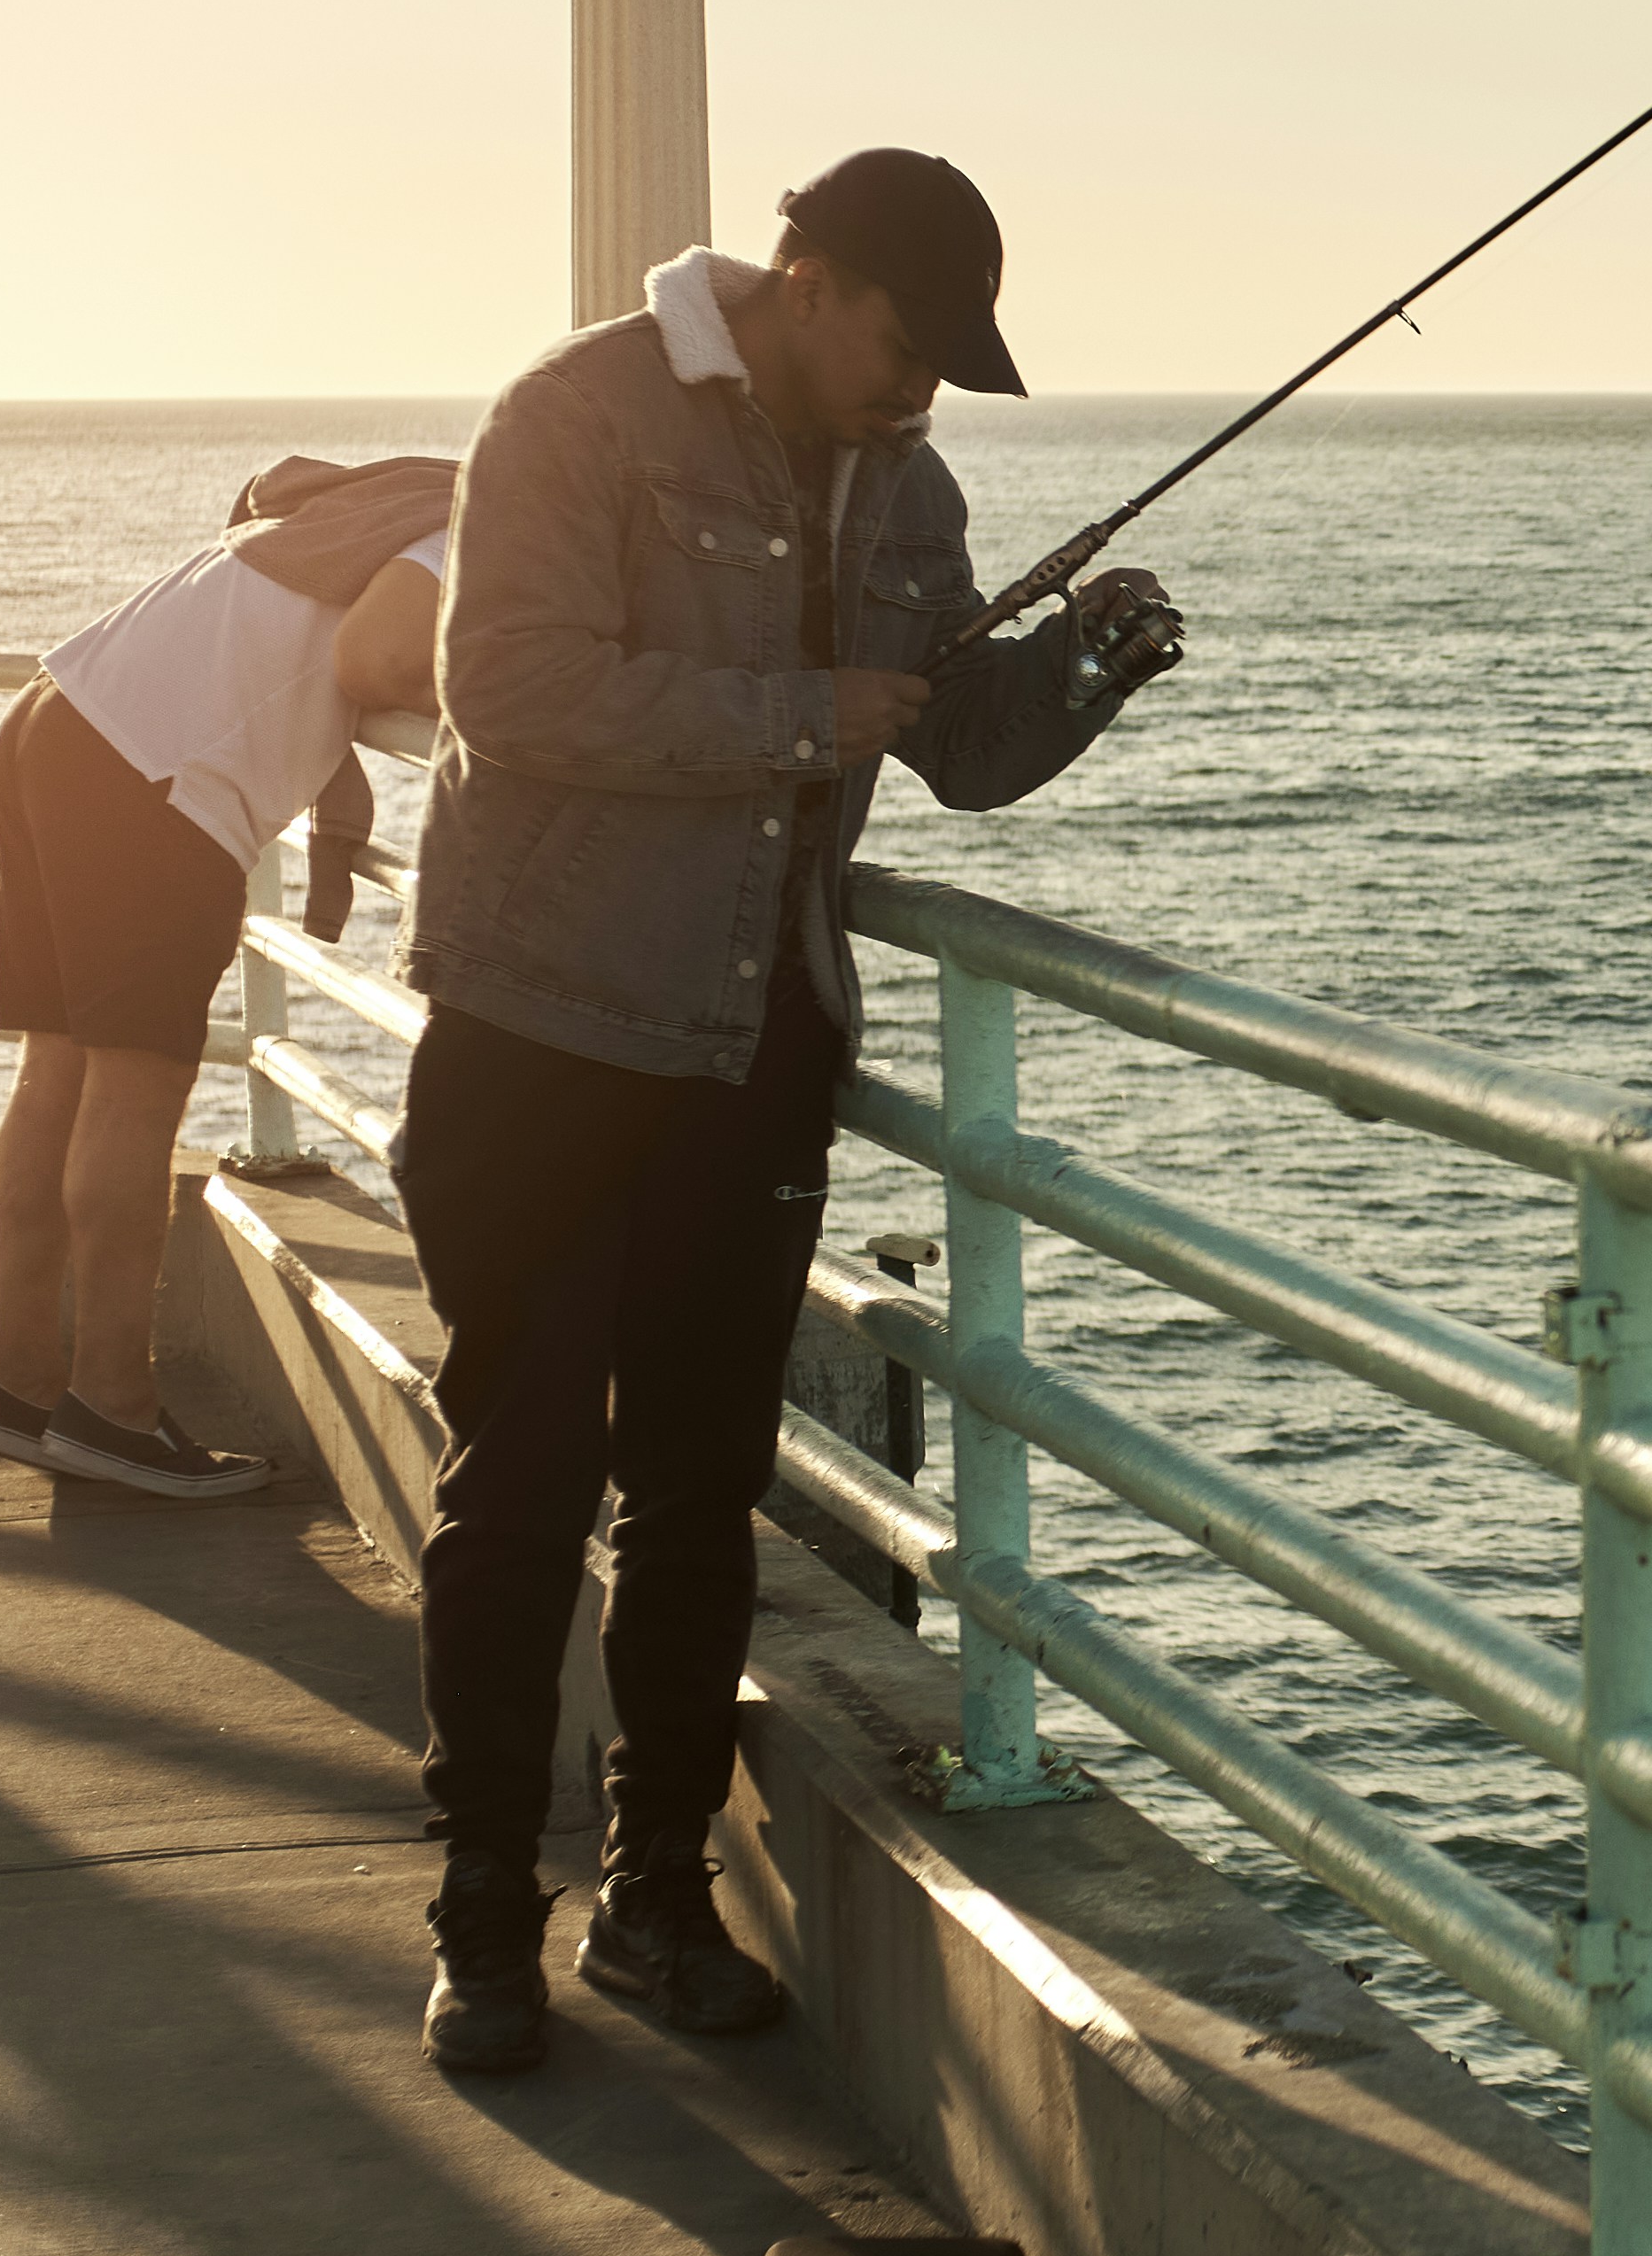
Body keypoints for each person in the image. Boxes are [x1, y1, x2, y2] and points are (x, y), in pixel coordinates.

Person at [395, 149, 1178, 2075]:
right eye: (909, 345)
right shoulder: (571, 414)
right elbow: (502, 685)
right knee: (516, 1489)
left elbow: (955, 747)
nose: (922, 394)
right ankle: (481, 1912)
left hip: (754, 1065)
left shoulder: (909, 480)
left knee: (695, 1503)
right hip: (542, 1038)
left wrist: (1088, 664)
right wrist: (789, 711)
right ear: (810, 279)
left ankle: (656, 1894)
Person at [0, 456, 455, 1499]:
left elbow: (294, 590)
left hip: (59, 716)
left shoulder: (377, 507)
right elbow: (379, 663)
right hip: (153, 778)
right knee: (134, 1097)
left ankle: (16, 1378)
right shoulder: (473, 532)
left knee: (53, 1070)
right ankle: (111, 1408)